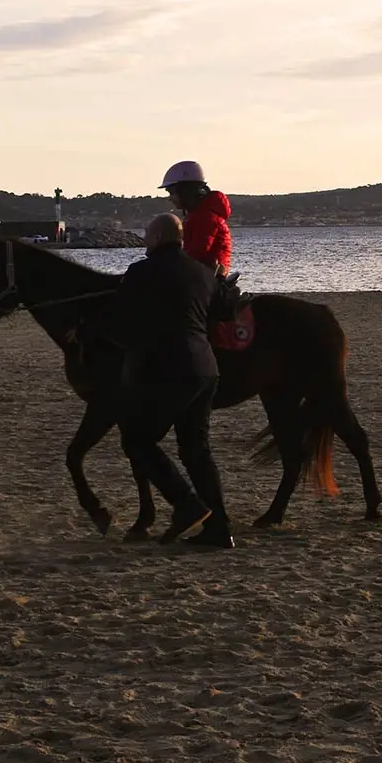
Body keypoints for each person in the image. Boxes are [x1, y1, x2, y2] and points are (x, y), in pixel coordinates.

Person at [111, 213, 230, 546]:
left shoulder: (140, 272)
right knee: (197, 450)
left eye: (147, 234)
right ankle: (219, 530)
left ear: (160, 236)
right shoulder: (203, 273)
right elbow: (222, 311)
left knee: (138, 441)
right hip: (206, 370)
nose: (144, 240)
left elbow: (120, 322)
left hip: (169, 371)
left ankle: (186, 504)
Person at [160, 160, 232, 274]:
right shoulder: (198, 215)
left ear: (185, 191)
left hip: (205, 283)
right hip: (202, 279)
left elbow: (196, 253)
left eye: (172, 192)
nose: (170, 198)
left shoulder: (206, 218)